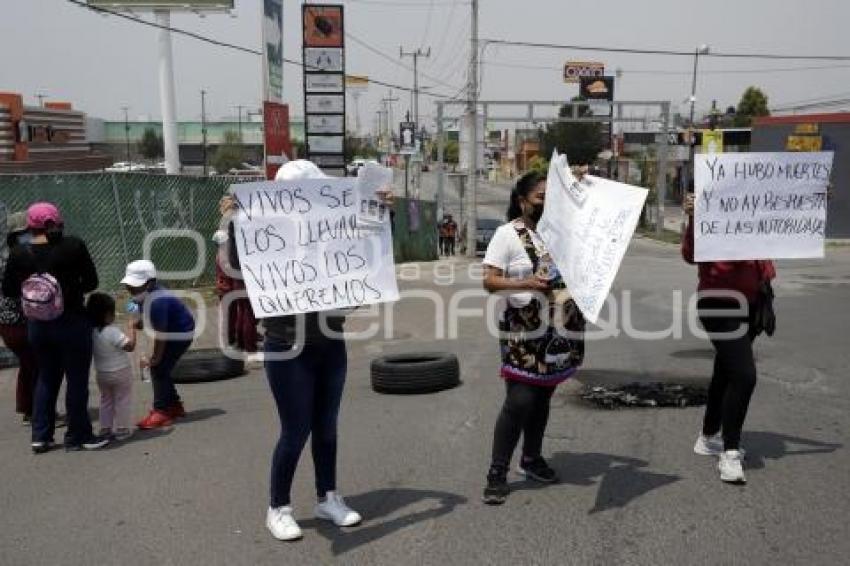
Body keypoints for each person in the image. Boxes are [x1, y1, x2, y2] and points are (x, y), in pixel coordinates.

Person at [250, 159, 394, 541]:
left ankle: (327, 496)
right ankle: (277, 507)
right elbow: (236, 265)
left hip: (330, 341)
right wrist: (231, 224)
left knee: (327, 428)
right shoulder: (260, 230)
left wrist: (378, 208)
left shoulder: (332, 229)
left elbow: (370, 243)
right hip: (287, 346)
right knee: (295, 430)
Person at [481, 171, 585, 505]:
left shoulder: (563, 234)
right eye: (541, 198)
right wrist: (524, 284)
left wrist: (580, 183)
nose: (546, 205)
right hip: (523, 329)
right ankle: (497, 471)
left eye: (551, 199)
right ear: (523, 200)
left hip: (559, 328)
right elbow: (490, 281)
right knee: (520, 401)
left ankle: (531, 458)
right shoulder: (507, 234)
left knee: (542, 398)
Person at [682, 193, 776, 484]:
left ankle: (708, 436)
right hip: (718, 303)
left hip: (751, 303)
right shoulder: (711, 216)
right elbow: (690, 255)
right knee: (745, 376)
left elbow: (790, 226)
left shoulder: (756, 215)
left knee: (726, 371)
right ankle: (730, 451)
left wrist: (811, 203)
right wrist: (694, 216)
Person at [2, 202, 107, 453]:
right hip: (72, 321)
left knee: (46, 378)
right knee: (77, 380)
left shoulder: (19, 253)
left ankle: (41, 436)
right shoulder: (72, 246)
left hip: (38, 324)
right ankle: (78, 435)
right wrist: (68, 289)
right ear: (57, 221)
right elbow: (92, 281)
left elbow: (8, 290)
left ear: (30, 225)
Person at [121, 260, 195, 430]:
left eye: (135, 287)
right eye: (129, 287)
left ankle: (161, 411)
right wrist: (138, 323)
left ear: (151, 283)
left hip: (179, 334)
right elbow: (146, 318)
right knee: (162, 369)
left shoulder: (157, 301)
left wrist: (155, 357)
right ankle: (174, 406)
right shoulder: (146, 295)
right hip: (172, 330)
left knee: (158, 368)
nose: (131, 291)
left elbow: (161, 334)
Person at [0, 212, 38, 425]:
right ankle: (37, 412)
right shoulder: (19, 258)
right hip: (20, 321)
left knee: (28, 364)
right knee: (37, 365)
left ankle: (27, 408)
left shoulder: (8, 255)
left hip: (7, 322)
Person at [86, 292, 137, 441]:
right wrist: (132, 329)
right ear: (108, 314)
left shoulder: (91, 332)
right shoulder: (112, 331)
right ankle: (121, 429)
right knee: (122, 399)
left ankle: (105, 429)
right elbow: (130, 346)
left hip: (102, 374)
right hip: (121, 372)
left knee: (106, 400)